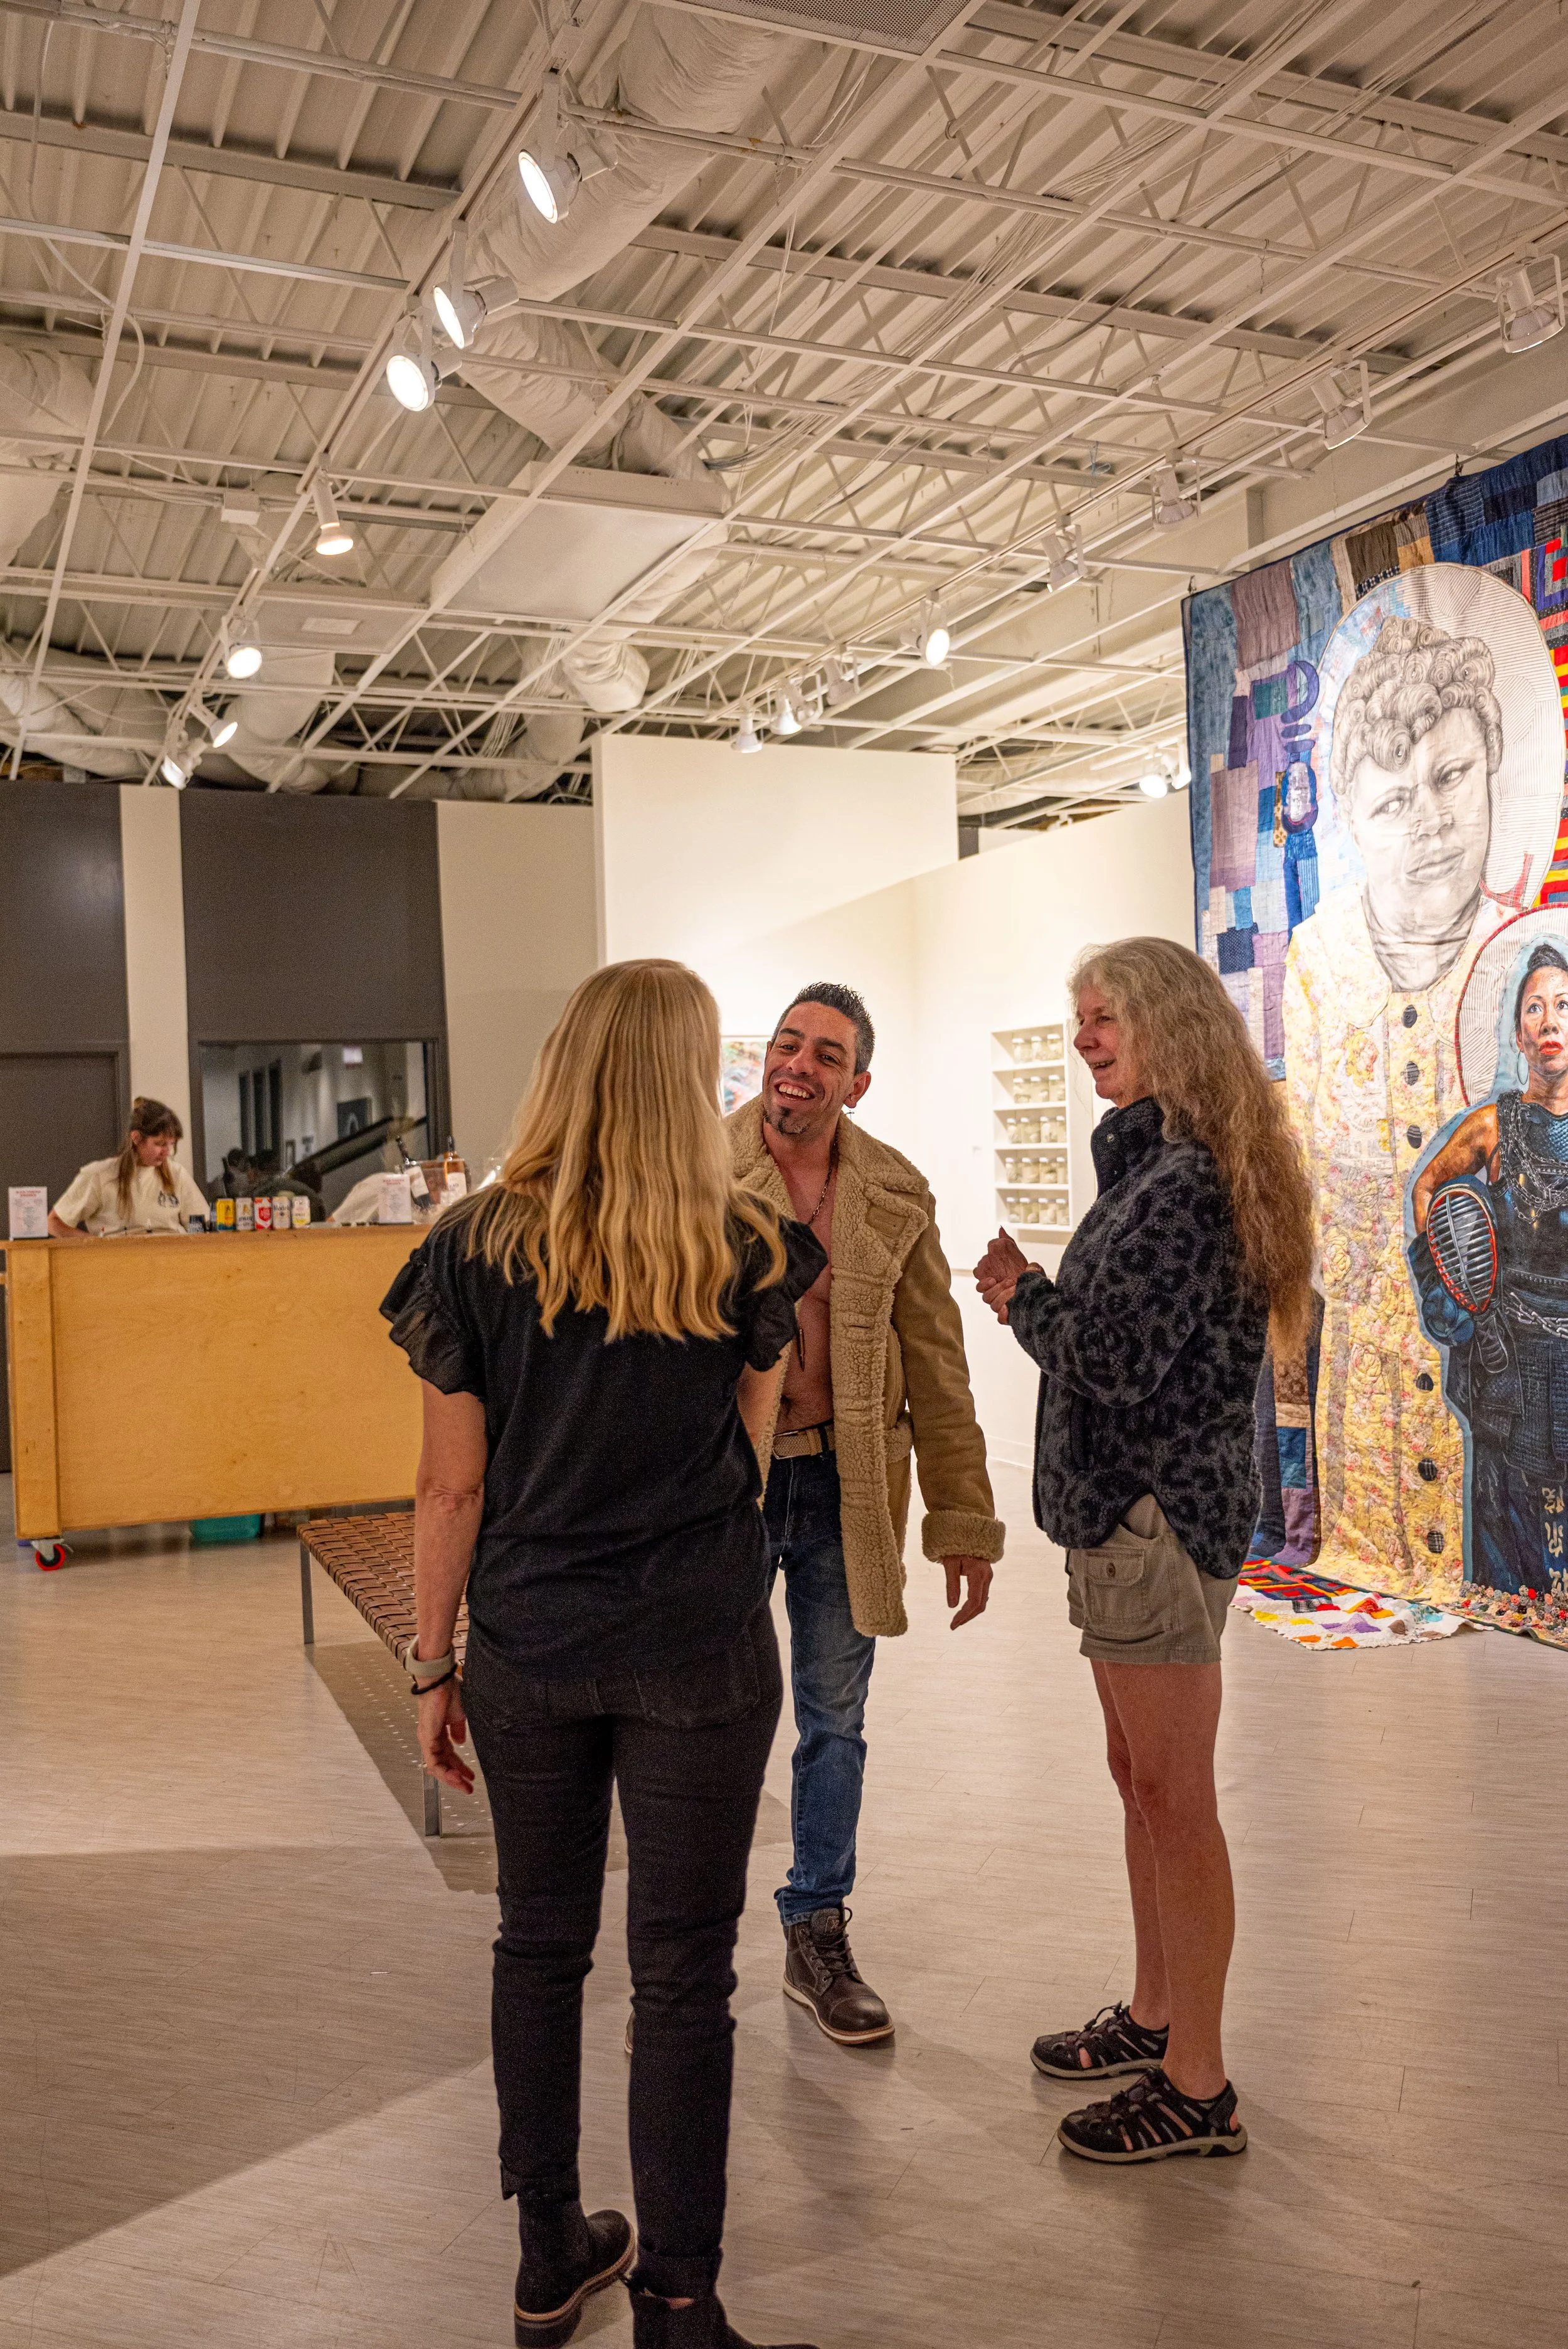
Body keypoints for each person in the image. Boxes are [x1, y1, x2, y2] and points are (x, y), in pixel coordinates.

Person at [381, 960, 825, 2349]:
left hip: (527, 1643)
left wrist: (430, 1663)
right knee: (685, 1970)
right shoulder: (743, 1244)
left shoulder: (473, 1246)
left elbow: (450, 1489)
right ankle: (679, 2303)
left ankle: (544, 2255)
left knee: (537, 1944)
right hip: (696, 1643)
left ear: (567, 1062)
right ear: (685, 1078)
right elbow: (754, 1443)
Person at [975, 938, 1313, 2163]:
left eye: (1103, 1016)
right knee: (1141, 1779)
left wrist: (1020, 1295)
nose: (1082, 1037)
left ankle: (1198, 2081)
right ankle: (1158, 2015)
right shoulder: (1158, 1164)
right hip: (1129, 1518)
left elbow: (1112, 1361)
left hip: (1154, 1519)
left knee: (1173, 1795)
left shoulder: (1180, 1190)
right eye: (1076, 1018)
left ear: (1166, 1021)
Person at [728, 982, 1003, 2045]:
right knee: (706, 1722)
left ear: (858, 1082)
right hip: (729, 1491)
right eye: (788, 1043)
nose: (799, 1064)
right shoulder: (699, 1170)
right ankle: (689, 1956)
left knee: (833, 1721)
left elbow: (938, 1365)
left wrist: (964, 1522)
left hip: (851, 1486)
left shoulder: (893, 1191)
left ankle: (816, 1926)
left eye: (826, 1054)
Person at [1283, 609, 1552, 1595]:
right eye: (1393, 799)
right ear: (1352, 819)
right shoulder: (1318, 963)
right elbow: (1305, 1163)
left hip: (1500, 1372)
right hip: (1372, 1387)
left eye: (1450, 778)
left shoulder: (1529, 954)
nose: (1430, 820)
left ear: (1493, 774)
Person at [1410, 941, 1568, 1593]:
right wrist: (1448, 1288)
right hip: (1508, 1363)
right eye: (1535, 1008)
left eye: (1563, 1005)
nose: (1550, 1020)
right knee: (1507, 1538)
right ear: (1518, 1035)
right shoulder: (1491, 1126)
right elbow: (1427, 1192)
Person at [48, 1096, 207, 1235]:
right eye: (159, 1144)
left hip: (171, 1256)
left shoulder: (177, 1174)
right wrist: (95, 1247)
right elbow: (55, 1223)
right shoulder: (99, 1174)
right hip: (119, 1258)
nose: (167, 1152)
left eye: (171, 1144)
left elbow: (201, 1225)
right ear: (136, 1138)